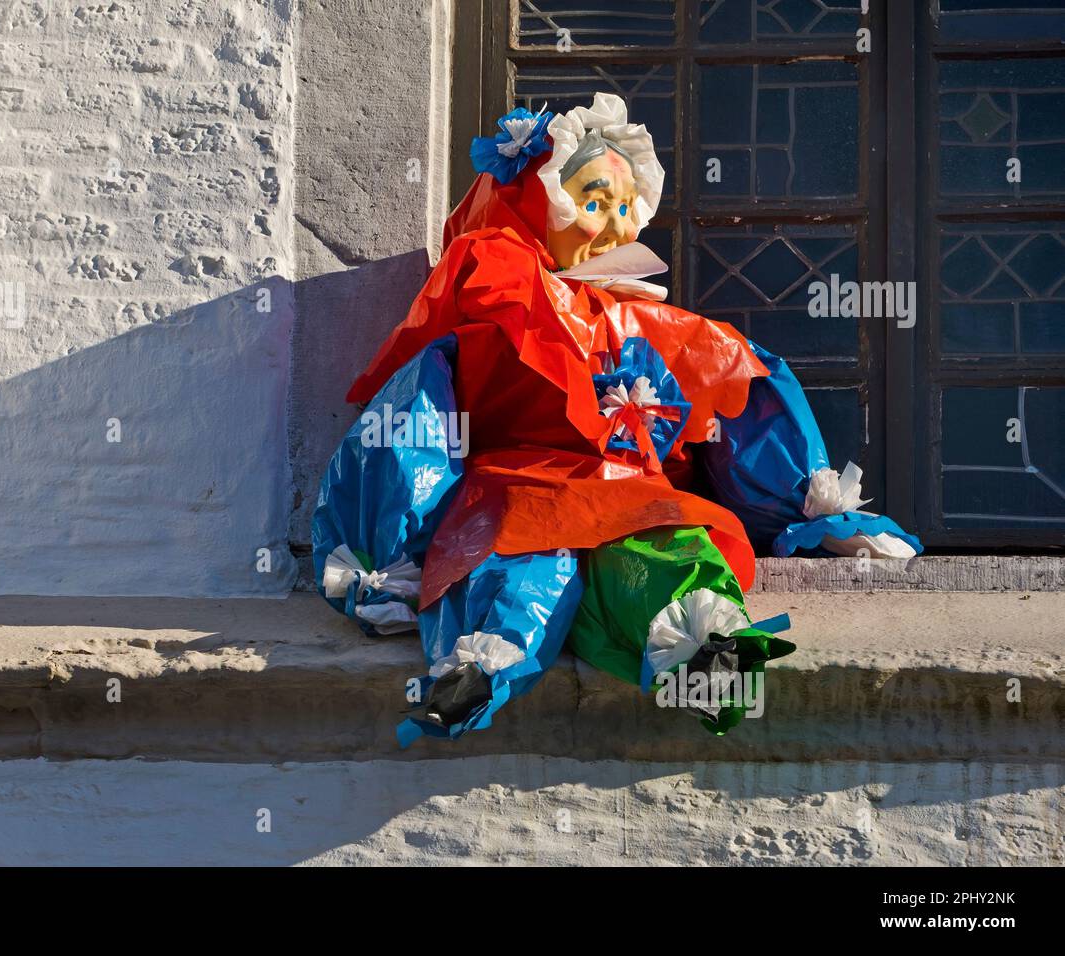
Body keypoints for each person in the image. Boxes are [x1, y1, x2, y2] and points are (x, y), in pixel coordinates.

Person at [314, 93, 921, 745]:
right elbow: (414, 425)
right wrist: (384, 553)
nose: (614, 223)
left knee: (669, 548)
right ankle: (477, 670)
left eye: (624, 206)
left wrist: (815, 507)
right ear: (539, 203)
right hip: (514, 491)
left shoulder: (641, 325)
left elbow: (736, 381)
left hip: (629, 495)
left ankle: (706, 649)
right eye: (595, 200)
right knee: (516, 562)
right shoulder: (488, 321)